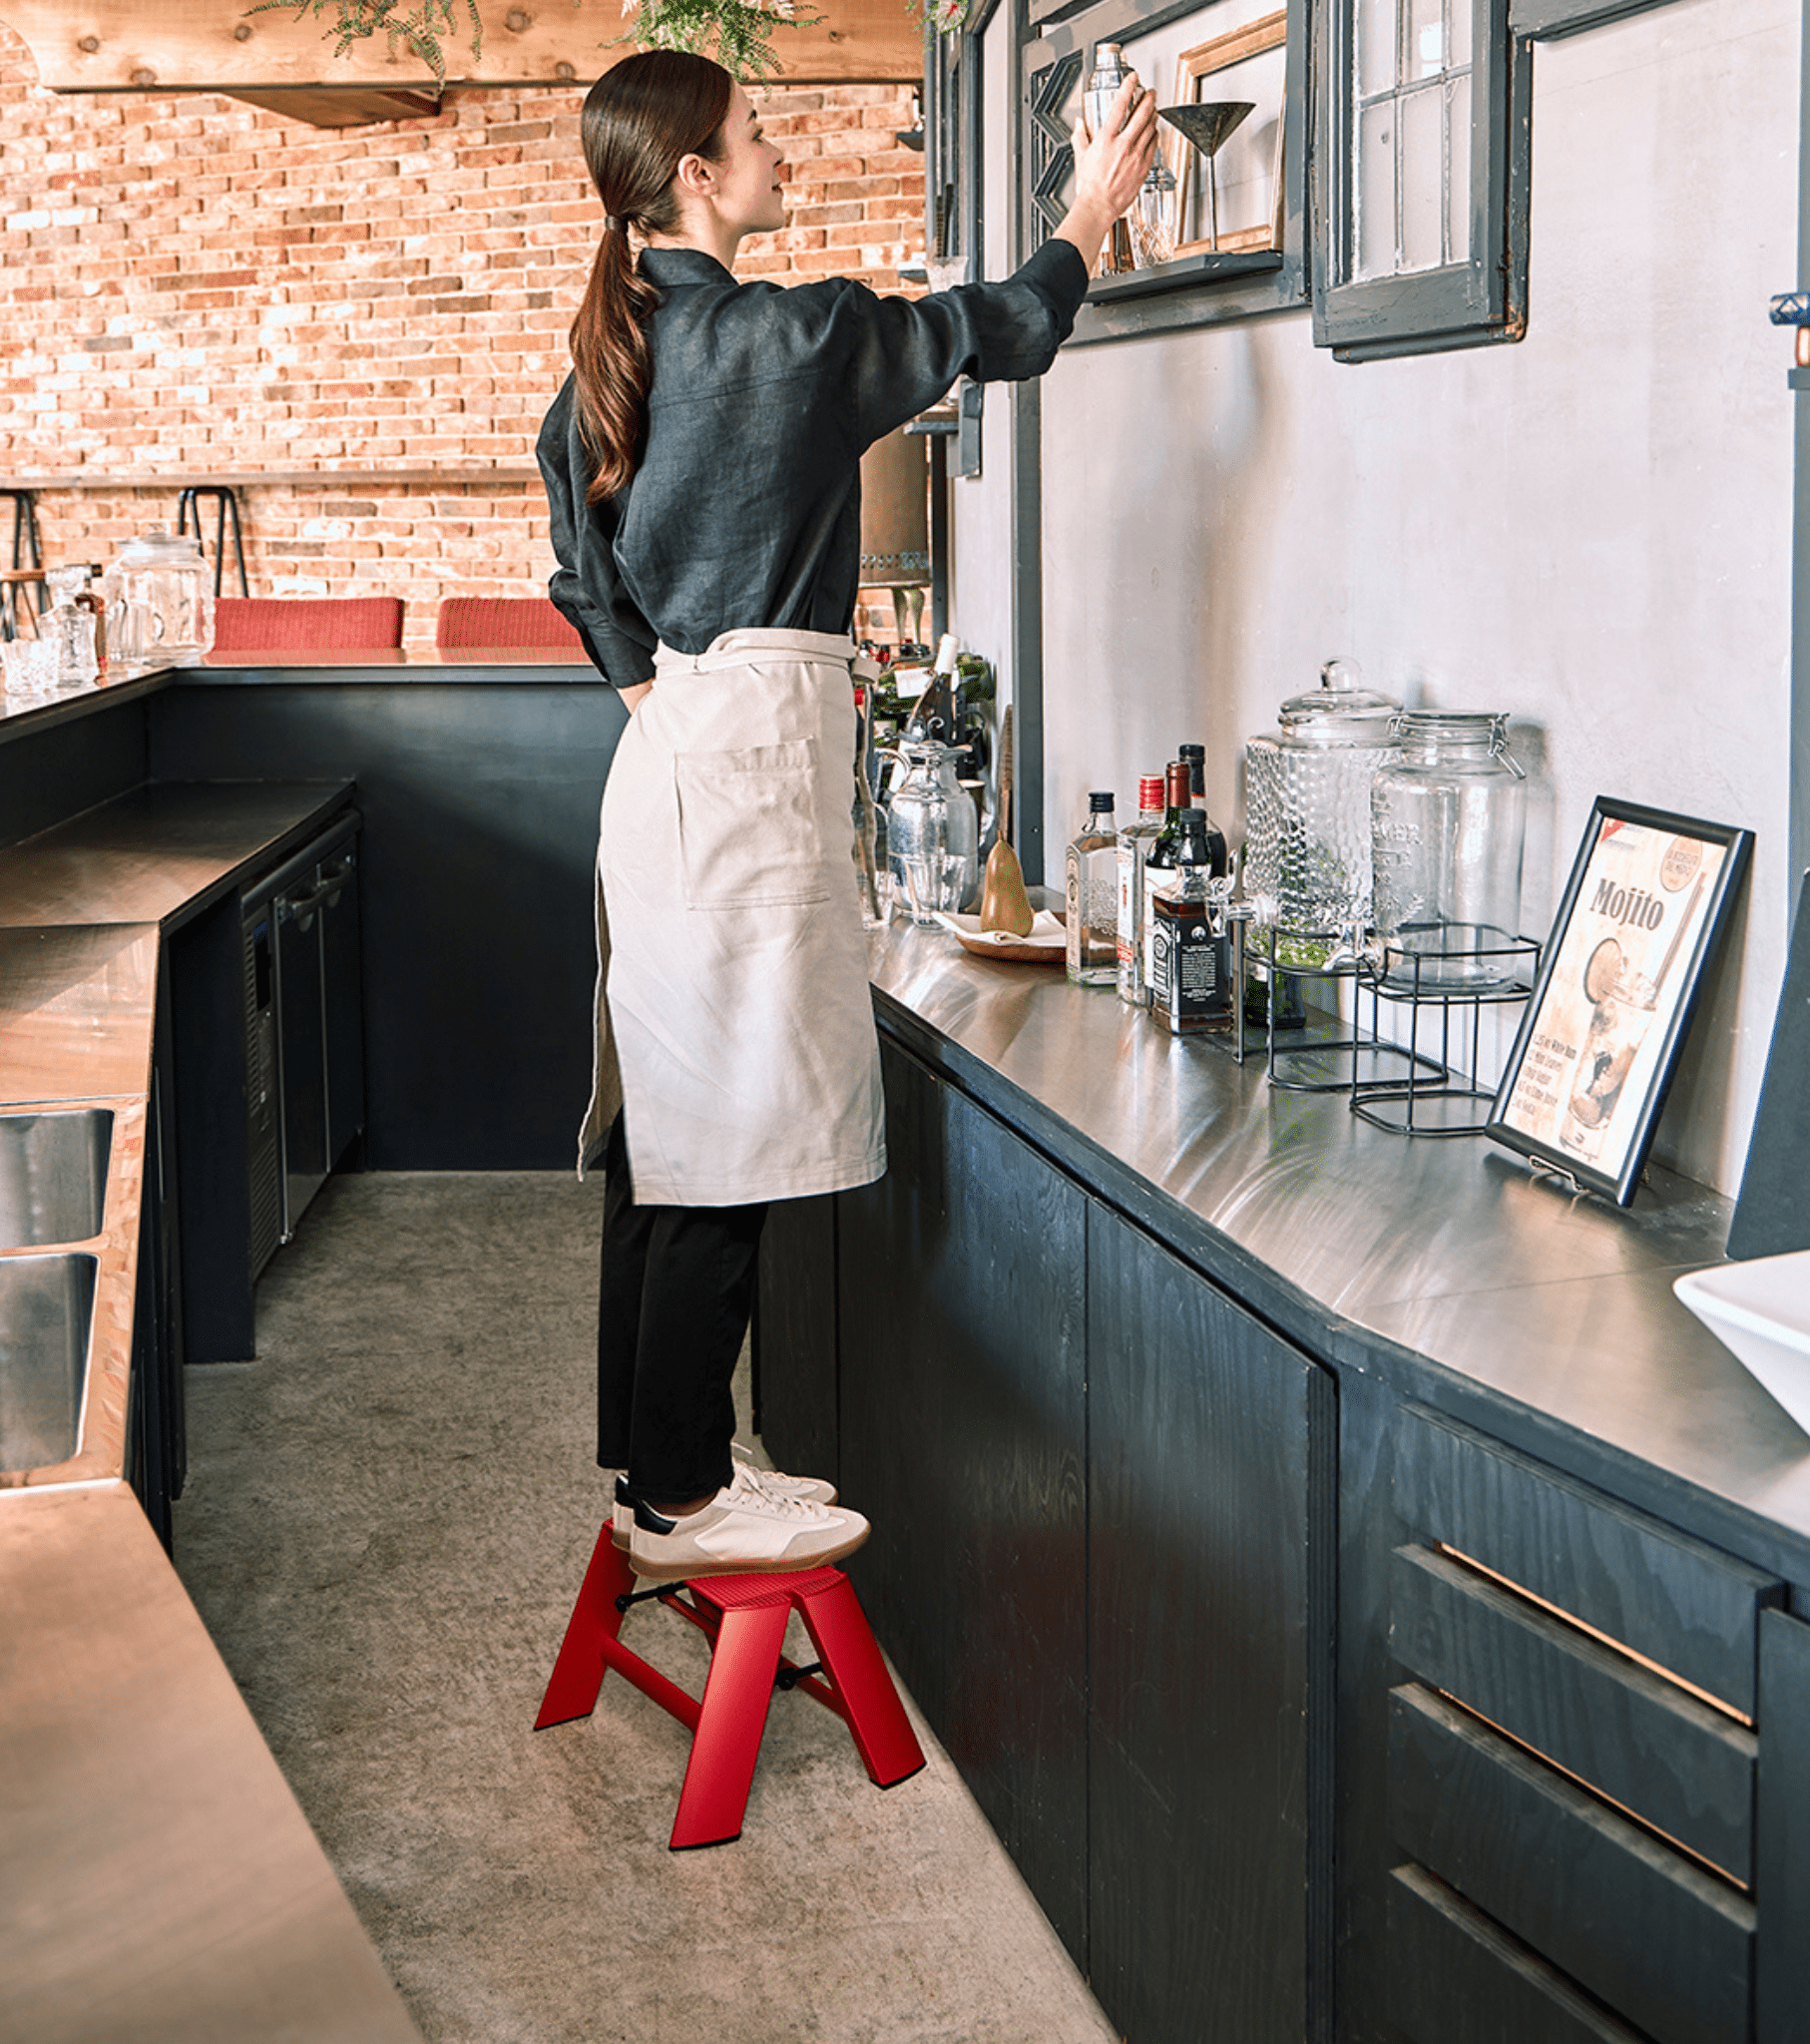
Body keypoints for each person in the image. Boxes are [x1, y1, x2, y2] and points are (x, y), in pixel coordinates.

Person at [539, 48, 1158, 1582]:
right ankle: (688, 1493)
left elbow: (575, 557)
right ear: (694, 172)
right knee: (728, 1136)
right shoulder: (794, 337)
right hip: (747, 755)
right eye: (755, 134)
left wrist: (656, 691)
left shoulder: (608, 362)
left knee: (666, 1137)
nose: (777, 154)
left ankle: (645, 1465)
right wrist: (1089, 207)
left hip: (673, 751)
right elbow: (1001, 327)